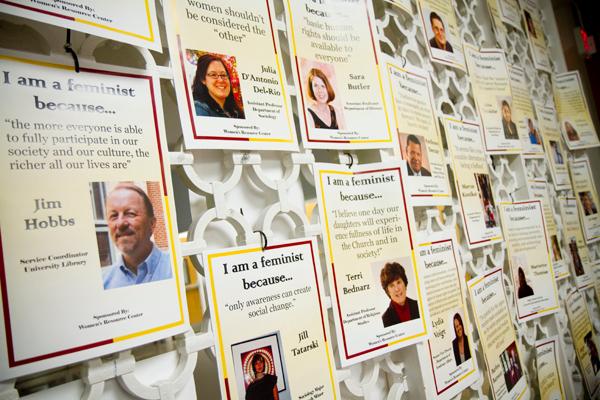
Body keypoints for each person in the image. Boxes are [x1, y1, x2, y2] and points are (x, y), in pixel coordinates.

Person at [102, 184, 172, 289]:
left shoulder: (174, 268)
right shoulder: (104, 282)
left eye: (130, 213)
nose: (120, 223)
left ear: (152, 224)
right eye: (114, 216)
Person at [192, 53, 244, 119]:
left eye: (223, 75)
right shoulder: (199, 109)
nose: (220, 80)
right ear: (203, 79)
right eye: (213, 75)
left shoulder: (235, 112)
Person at [380, 262, 420, 327]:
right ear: (388, 291)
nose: (397, 289)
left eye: (398, 282)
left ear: (405, 283)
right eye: (392, 285)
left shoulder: (418, 306)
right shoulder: (385, 320)